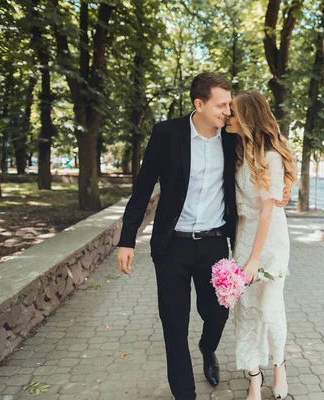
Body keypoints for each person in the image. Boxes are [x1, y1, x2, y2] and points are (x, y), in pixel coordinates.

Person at [116, 73, 288, 400]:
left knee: (217, 314)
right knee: (174, 326)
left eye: (230, 105)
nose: (228, 111)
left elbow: (267, 157)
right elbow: (141, 189)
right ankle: (186, 394)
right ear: (200, 104)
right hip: (171, 247)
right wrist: (127, 239)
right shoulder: (167, 134)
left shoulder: (232, 138)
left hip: (214, 246)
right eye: (221, 105)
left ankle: (208, 349)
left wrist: (284, 190)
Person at [224, 90, 297, 400]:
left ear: (248, 118)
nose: (227, 115)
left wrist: (253, 261)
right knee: (247, 311)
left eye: (232, 112)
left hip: (270, 242)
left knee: (269, 308)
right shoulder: (239, 150)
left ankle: (279, 365)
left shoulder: (271, 157)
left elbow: (268, 212)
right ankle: (254, 377)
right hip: (243, 236)